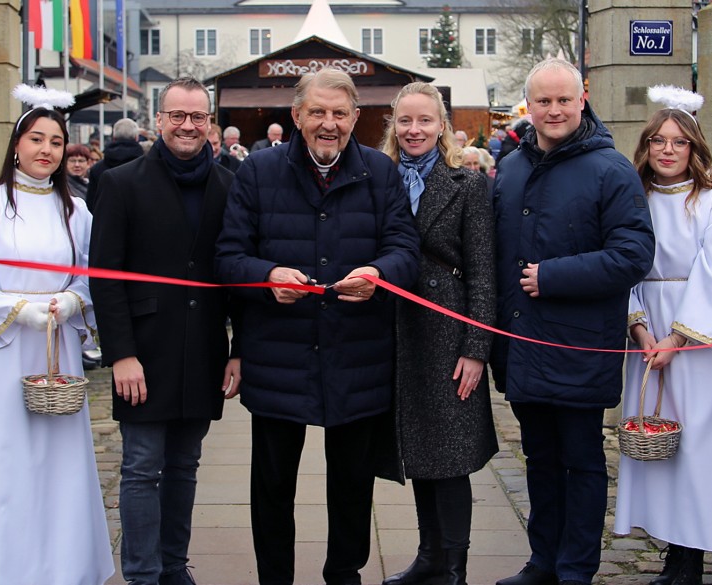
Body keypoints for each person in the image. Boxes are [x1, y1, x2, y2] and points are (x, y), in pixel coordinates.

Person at [215, 67, 420, 585]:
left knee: (352, 483)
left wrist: (379, 273)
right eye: (317, 113)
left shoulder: (380, 171)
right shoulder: (258, 172)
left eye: (339, 114)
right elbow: (228, 257)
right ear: (297, 115)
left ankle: (343, 572)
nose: (328, 124)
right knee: (272, 485)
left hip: (358, 353)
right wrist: (266, 277)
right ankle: (275, 577)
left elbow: (405, 250)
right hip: (279, 355)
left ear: (355, 117)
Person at [491, 58, 655, 585]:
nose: (555, 109)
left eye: (564, 100)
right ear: (529, 106)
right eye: (544, 101)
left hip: (581, 348)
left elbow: (634, 254)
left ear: (581, 100)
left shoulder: (611, 169)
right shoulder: (512, 167)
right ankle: (542, 561)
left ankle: (576, 569)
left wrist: (555, 276)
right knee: (539, 460)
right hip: (523, 343)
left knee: (582, 462)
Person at [0, 85, 114, 584]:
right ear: (16, 145)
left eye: (55, 141)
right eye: (36, 139)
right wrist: (18, 310)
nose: (46, 150)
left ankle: (62, 569)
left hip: (58, 352)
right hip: (3, 354)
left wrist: (75, 299)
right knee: (3, 464)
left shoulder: (77, 212)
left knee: (57, 468)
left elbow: (90, 272)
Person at [89, 76, 240, 585]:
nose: (187, 125)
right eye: (177, 115)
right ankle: (142, 573)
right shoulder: (121, 182)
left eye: (198, 117)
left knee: (185, 465)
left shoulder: (228, 185)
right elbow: (104, 277)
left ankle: (175, 567)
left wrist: (236, 349)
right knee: (140, 467)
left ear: (209, 123)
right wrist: (120, 355)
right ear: (159, 120)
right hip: (144, 352)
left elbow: (238, 272)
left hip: (201, 351)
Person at [614, 88, 712, 584]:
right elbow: (624, 266)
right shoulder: (633, 199)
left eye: (679, 142)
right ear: (646, 147)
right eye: (659, 141)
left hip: (700, 342)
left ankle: (691, 558)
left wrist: (677, 340)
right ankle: (670, 550)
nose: (668, 150)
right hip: (646, 335)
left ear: (695, 148)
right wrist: (642, 330)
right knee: (655, 444)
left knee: (698, 448)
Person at [378, 82, 497, 585]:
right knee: (418, 449)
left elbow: (483, 273)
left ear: (442, 126)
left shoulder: (466, 184)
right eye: (405, 121)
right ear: (393, 125)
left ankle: (454, 566)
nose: (414, 130)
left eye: (425, 121)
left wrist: (475, 350)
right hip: (396, 331)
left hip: (448, 331)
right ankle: (428, 556)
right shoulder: (378, 180)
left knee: (451, 455)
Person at [86, 117, 144, 213]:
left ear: (114, 138)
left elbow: (92, 204)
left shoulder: (97, 169)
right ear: (136, 138)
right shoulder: (146, 167)